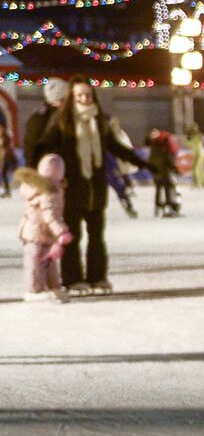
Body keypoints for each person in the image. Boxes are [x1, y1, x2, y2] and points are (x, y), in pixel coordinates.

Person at [36, 78, 152, 295]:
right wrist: (48, 177)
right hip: (72, 188)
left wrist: (143, 163)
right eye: (79, 95)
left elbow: (116, 147)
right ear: (72, 97)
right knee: (73, 235)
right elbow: (45, 148)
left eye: (87, 95)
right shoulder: (63, 121)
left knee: (97, 236)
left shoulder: (99, 121)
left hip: (96, 188)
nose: (84, 99)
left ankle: (97, 277)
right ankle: (72, 280)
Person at [16, 155, 72, 303]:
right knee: (35, 261)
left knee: (49, 261)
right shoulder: (49, 191)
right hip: (35, 232)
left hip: (43, 232)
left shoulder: (52, 188)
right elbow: (49, 214)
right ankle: (34, 289)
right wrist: (61, 231)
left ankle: (53, 286)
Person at [24, 78, 68, 168]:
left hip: (51, 166)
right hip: (50, 167)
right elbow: (32, 148)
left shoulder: (40, 116)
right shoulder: (43, 118)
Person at [146, 127, 182, 217]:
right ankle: (169, 207)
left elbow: (150, 161)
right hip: (165, 173)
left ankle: (157, 208)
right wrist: (176, 170)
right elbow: (169, 160)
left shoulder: (153, 149)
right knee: (168, 189)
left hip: (157, 173)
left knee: (158, 190)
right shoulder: (164, 149)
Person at [187, 122, 204, 190]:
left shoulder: (198, 135)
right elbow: (189, 144)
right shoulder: (190, 136)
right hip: (196, 153)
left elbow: (203, 141)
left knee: (196, 169)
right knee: (199, 169)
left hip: (200, 153)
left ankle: (197, 183)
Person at [0, 120, 14, 198]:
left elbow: (5, 146)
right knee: (3, 174)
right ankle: (6, 191)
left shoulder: (5, 136)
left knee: (4, 174)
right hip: (2, 157)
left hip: (5, 157)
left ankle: (7, 191)